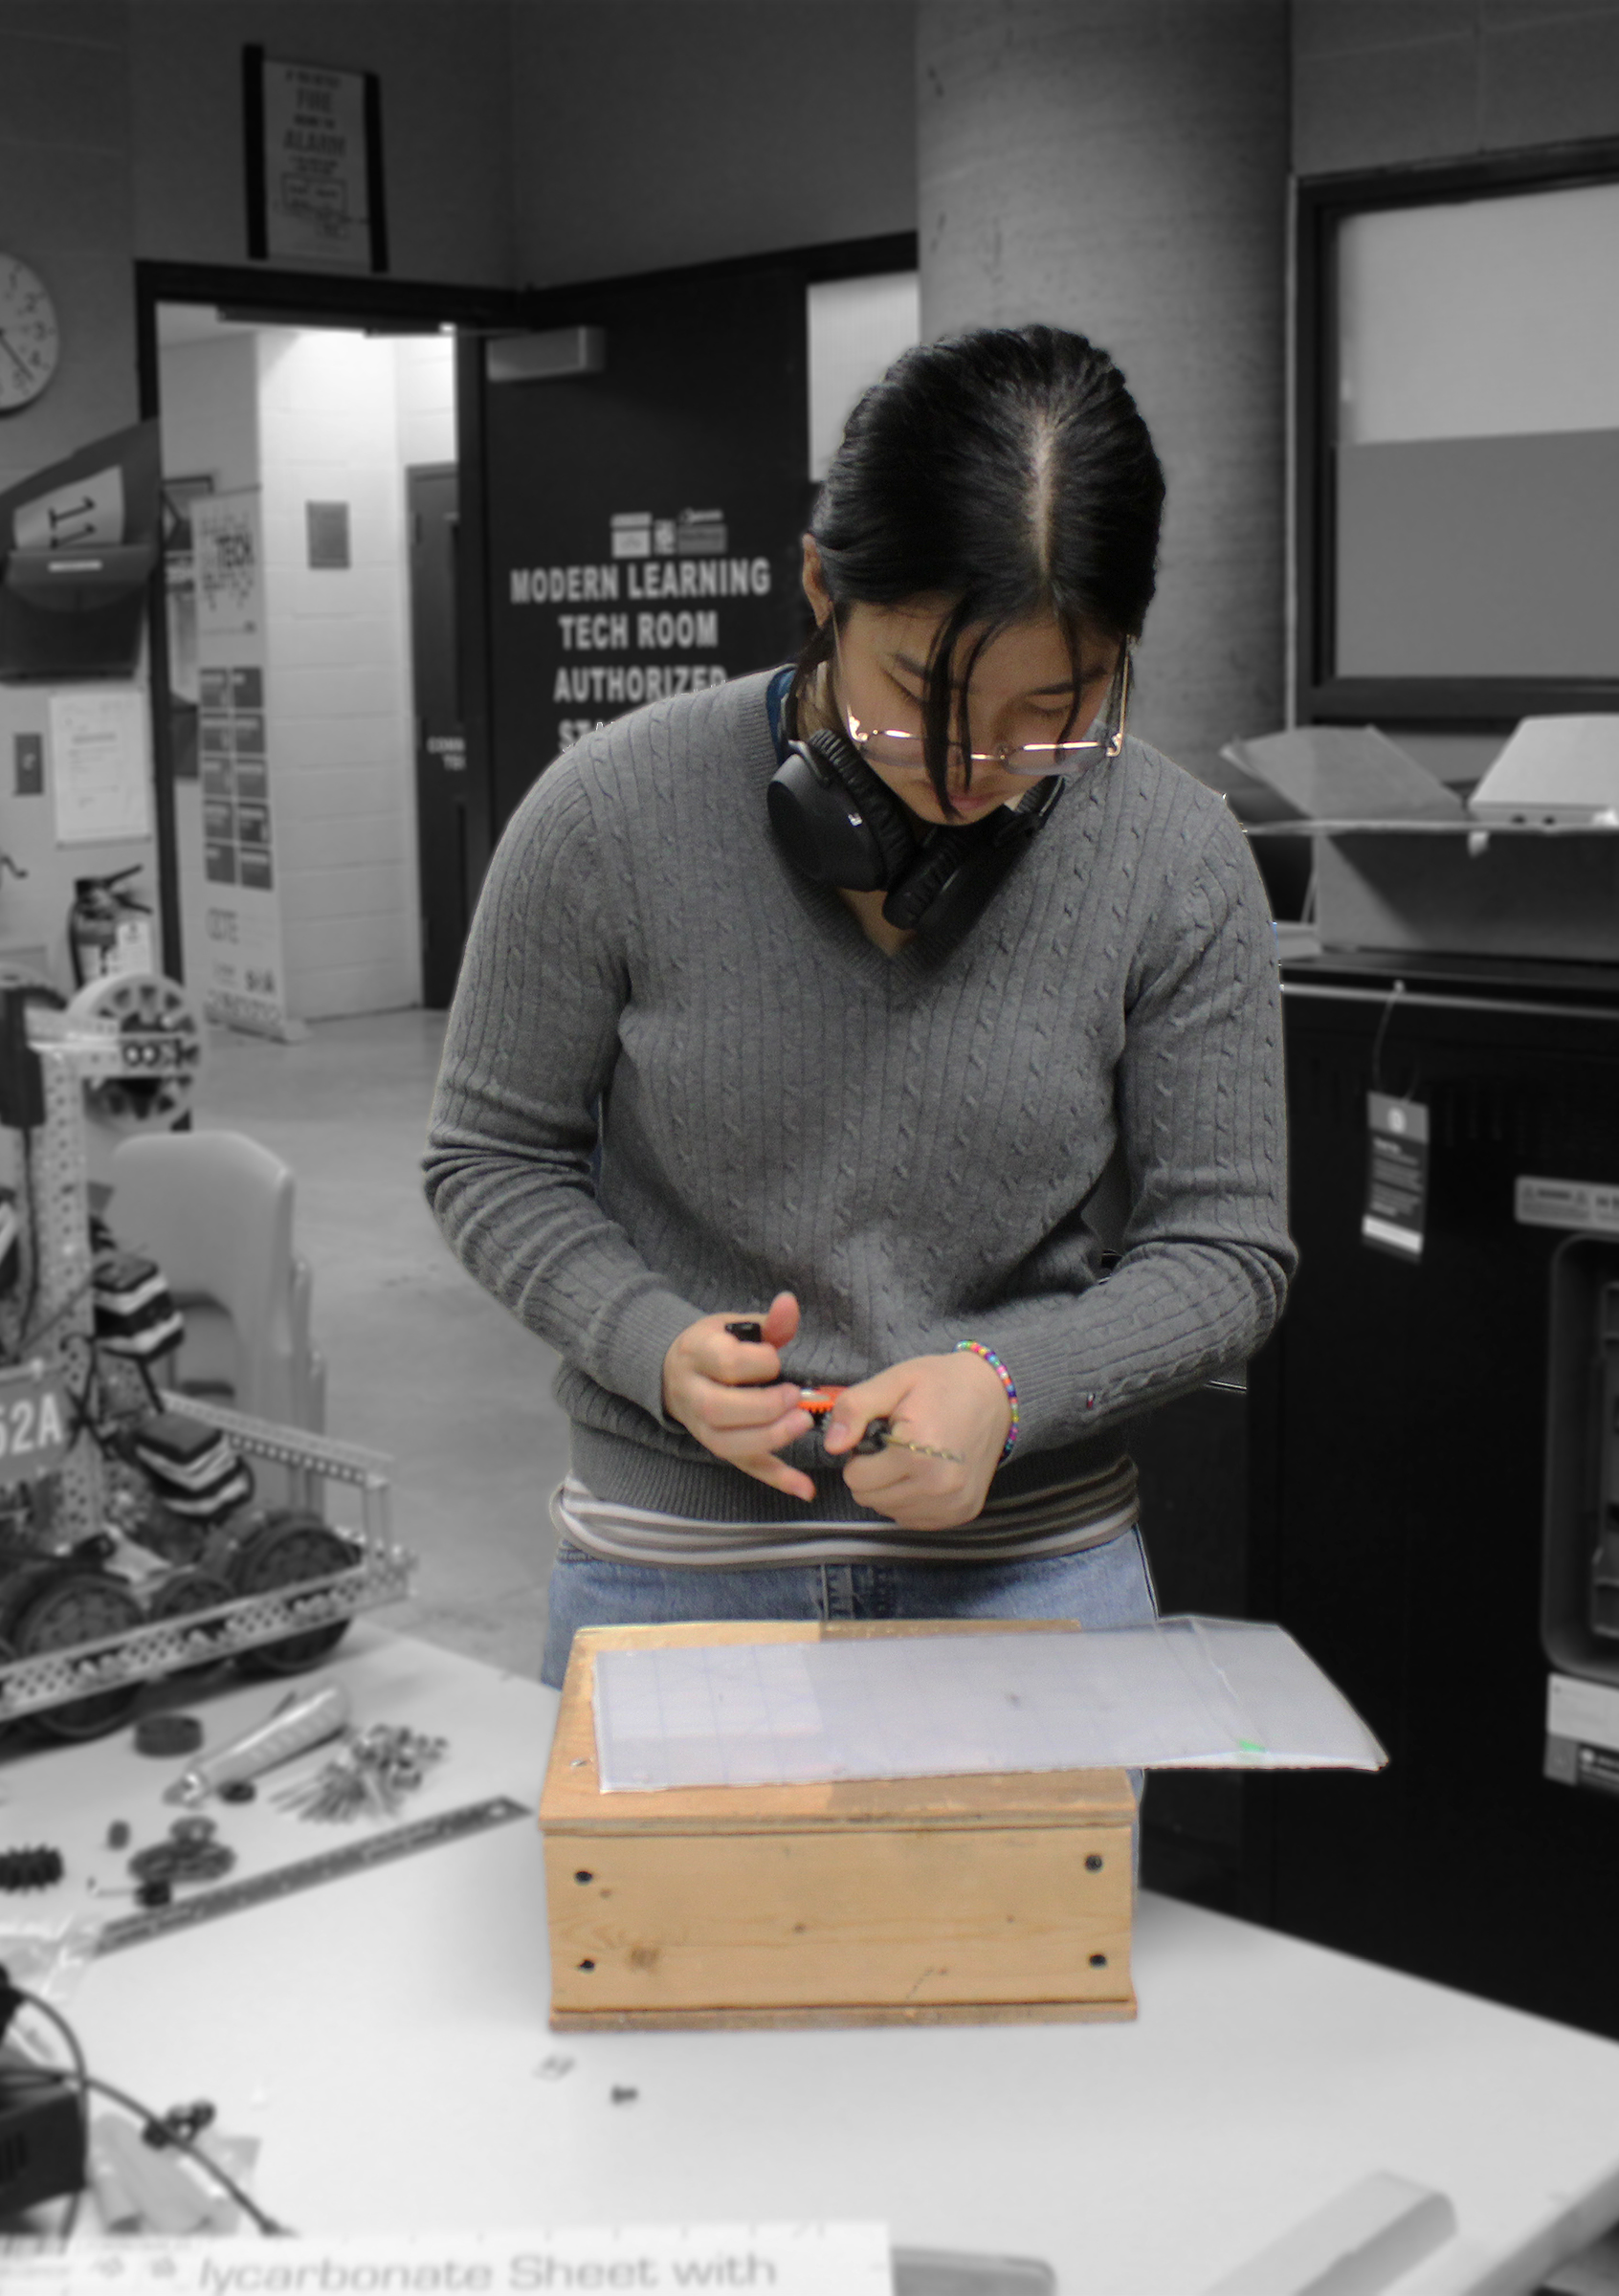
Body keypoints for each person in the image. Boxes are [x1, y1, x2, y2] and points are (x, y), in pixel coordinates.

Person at [423, 322, 1294, 1689]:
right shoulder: (608, 817)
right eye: (919, 697)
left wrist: (1010, 1393)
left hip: (1032, 1571)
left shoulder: (1176, 860)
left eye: (1047, 716)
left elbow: (1227, 1254)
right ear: (822, 586)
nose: (973, 767)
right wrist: (647, 1344)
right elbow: (490, 1158)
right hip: (676, 1562)